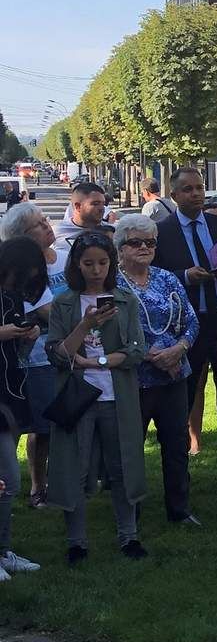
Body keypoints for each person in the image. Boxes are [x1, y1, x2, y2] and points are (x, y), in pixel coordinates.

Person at [45, 233, 149, 565]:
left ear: (111, 264)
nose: (96, 270)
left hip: (116, 395)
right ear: (77, 264)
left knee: (122, 466)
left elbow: (136, 351)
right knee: (74, 468)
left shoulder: (124, 300)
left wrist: (99, 362)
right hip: (77, 397)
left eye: (102, 263)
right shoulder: (64, 303)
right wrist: (86, 324)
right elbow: (58, 354)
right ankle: (77, 542)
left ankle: (129, 536)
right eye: (88, 263)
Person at [152, 167, 217, 454]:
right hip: (187, 324)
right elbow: (155, 276)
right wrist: (185, 276)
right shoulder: (163, 232)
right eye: (188, 189)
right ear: (174, 195)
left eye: (199, 188)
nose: (196, 194)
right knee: (186, 390)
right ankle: (181, 450)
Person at [114, 215, 201, 525]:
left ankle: (179, 510)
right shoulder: (112, 284)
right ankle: (130, 514)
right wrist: (149, 355)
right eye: (136, 242)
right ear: (120, 248)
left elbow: (191, 320)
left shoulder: (167, 278)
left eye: (150, 242)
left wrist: (179, 349)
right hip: (134, 379)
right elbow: (110, 331)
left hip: (174, 374)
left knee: (176, 445)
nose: (144, 248)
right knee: (131, 448)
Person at [0, 203, 69, 508]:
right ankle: (32, 486)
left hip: (34, 363)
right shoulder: (17, 276)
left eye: (46, 220)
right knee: (25, 427)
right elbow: (48, 312)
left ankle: (39, 486)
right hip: (29, 365)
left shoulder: (60, 258)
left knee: (43, 427)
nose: (47, 226)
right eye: (39, 224)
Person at [0, 236, 48, 581]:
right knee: (7, 478)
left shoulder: (14, 298)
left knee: (7, 480)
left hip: (9, 396)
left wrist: (26, 339)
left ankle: (4, 550)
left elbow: (16, 357)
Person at [53, 182, 112, 251]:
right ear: (78, 206)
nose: (102, 208)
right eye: (95, 204)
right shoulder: (56, 233)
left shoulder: (111, 233)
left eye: (103, 204)